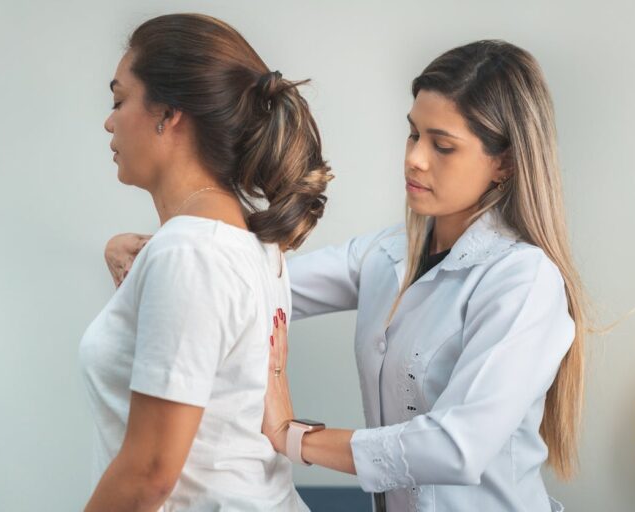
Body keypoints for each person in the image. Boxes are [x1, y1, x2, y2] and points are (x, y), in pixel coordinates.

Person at [106, 40, 586, 512]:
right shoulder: (385, 254)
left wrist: (293, 437)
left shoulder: (523, 281)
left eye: (442, 146)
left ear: (504, 163)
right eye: (413, 134)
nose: (415, 158)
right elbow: (246, 282)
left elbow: (457, 447)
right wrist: (151, 254)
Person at [80, 13, 331, 511]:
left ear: (168, 113)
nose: (109, 121)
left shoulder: (190, 254)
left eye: (119, 101)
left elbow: (150, 474)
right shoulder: (250, 245)